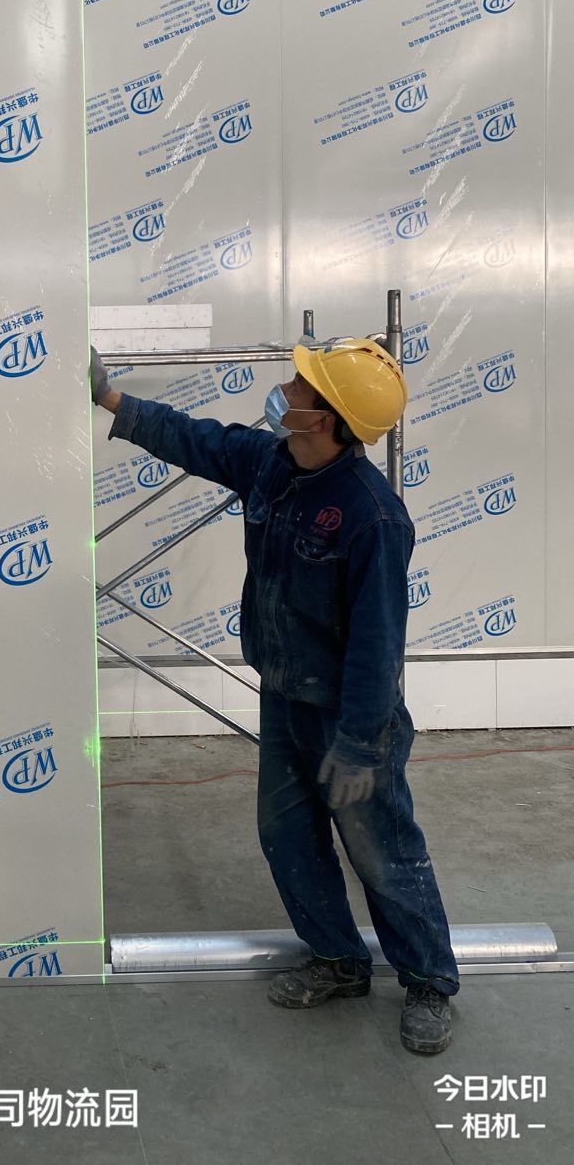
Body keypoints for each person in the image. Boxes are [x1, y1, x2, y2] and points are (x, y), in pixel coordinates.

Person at [90, 337, 459, 1054]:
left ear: (327, 419)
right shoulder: (271, 462)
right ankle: (339, 960)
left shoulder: (372, 518)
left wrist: (359, 746)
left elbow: (378, 647)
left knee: (380, 851)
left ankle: (428, 983)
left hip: (351, 718)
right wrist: (109, 397)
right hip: (286, 698)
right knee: (286, 835)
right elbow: (193, 438)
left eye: (300, 386)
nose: (286, 389)